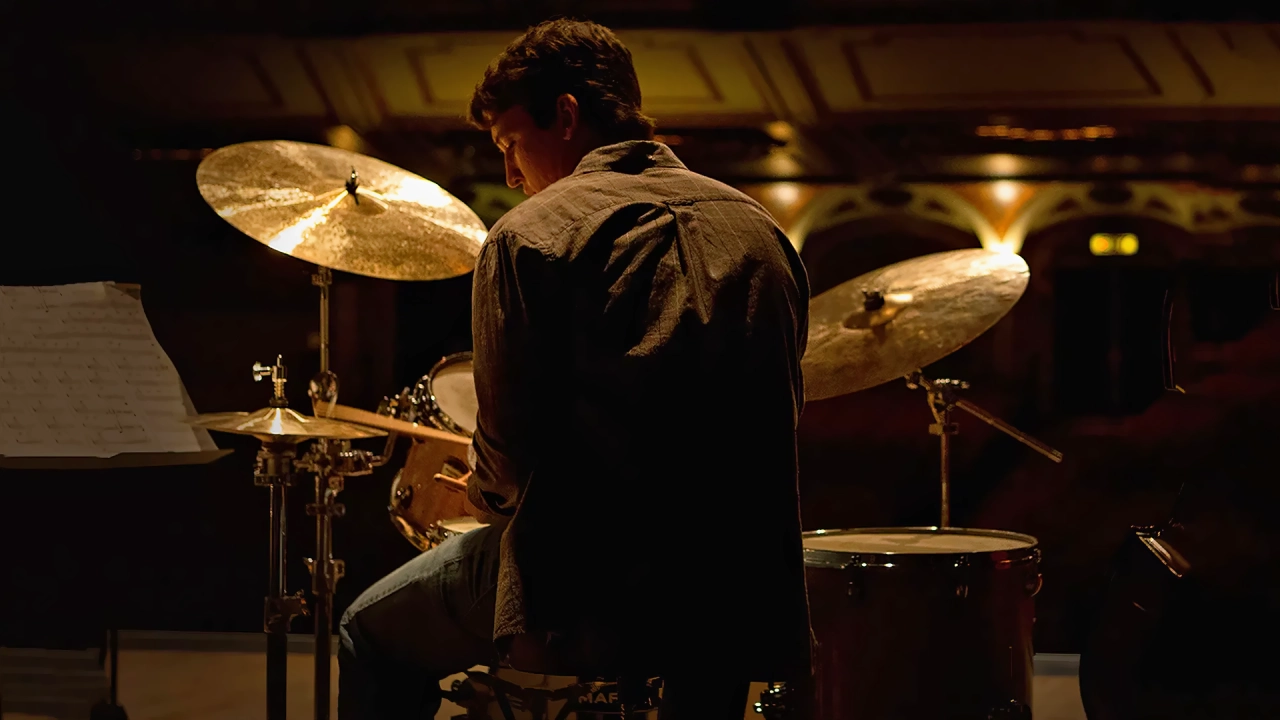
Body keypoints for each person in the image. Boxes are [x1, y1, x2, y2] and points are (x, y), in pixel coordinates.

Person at [338, 18, 812, 719]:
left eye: (510, 144)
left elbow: (509, 457)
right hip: (742, 590)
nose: (510, 174)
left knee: (365, 631)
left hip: (591, 590)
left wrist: (484, 496)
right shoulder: (764, 232)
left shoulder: (528, 236)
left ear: (565, 115)